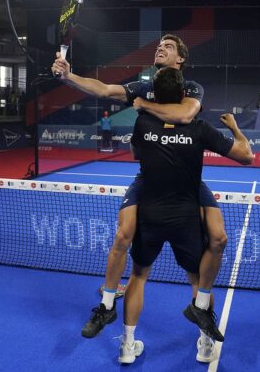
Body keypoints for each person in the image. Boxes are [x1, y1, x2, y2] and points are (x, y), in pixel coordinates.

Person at [51, 34, 230, 342]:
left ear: (180, 59)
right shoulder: (143, 87)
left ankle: (204, 333)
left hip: (187, 181)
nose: (161, 47)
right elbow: (105, 89)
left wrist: (144, 106)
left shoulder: (191, 89)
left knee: (210, 251)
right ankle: (109, 309)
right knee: (122, 236)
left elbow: (186, 113)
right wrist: (69, 77)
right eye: (159, 45)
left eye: (169, 46)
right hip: (150, 179)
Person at [118, 67, 253, 364]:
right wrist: (234, 128)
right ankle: (205, 343)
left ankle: (127, 345)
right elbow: (246, 156)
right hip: (186, 219)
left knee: (138, 276)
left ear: (155, 94)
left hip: (150, 217)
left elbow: (136, 156)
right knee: (198, 277)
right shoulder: (201, 128)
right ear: (183, 95)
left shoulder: (142, 124)